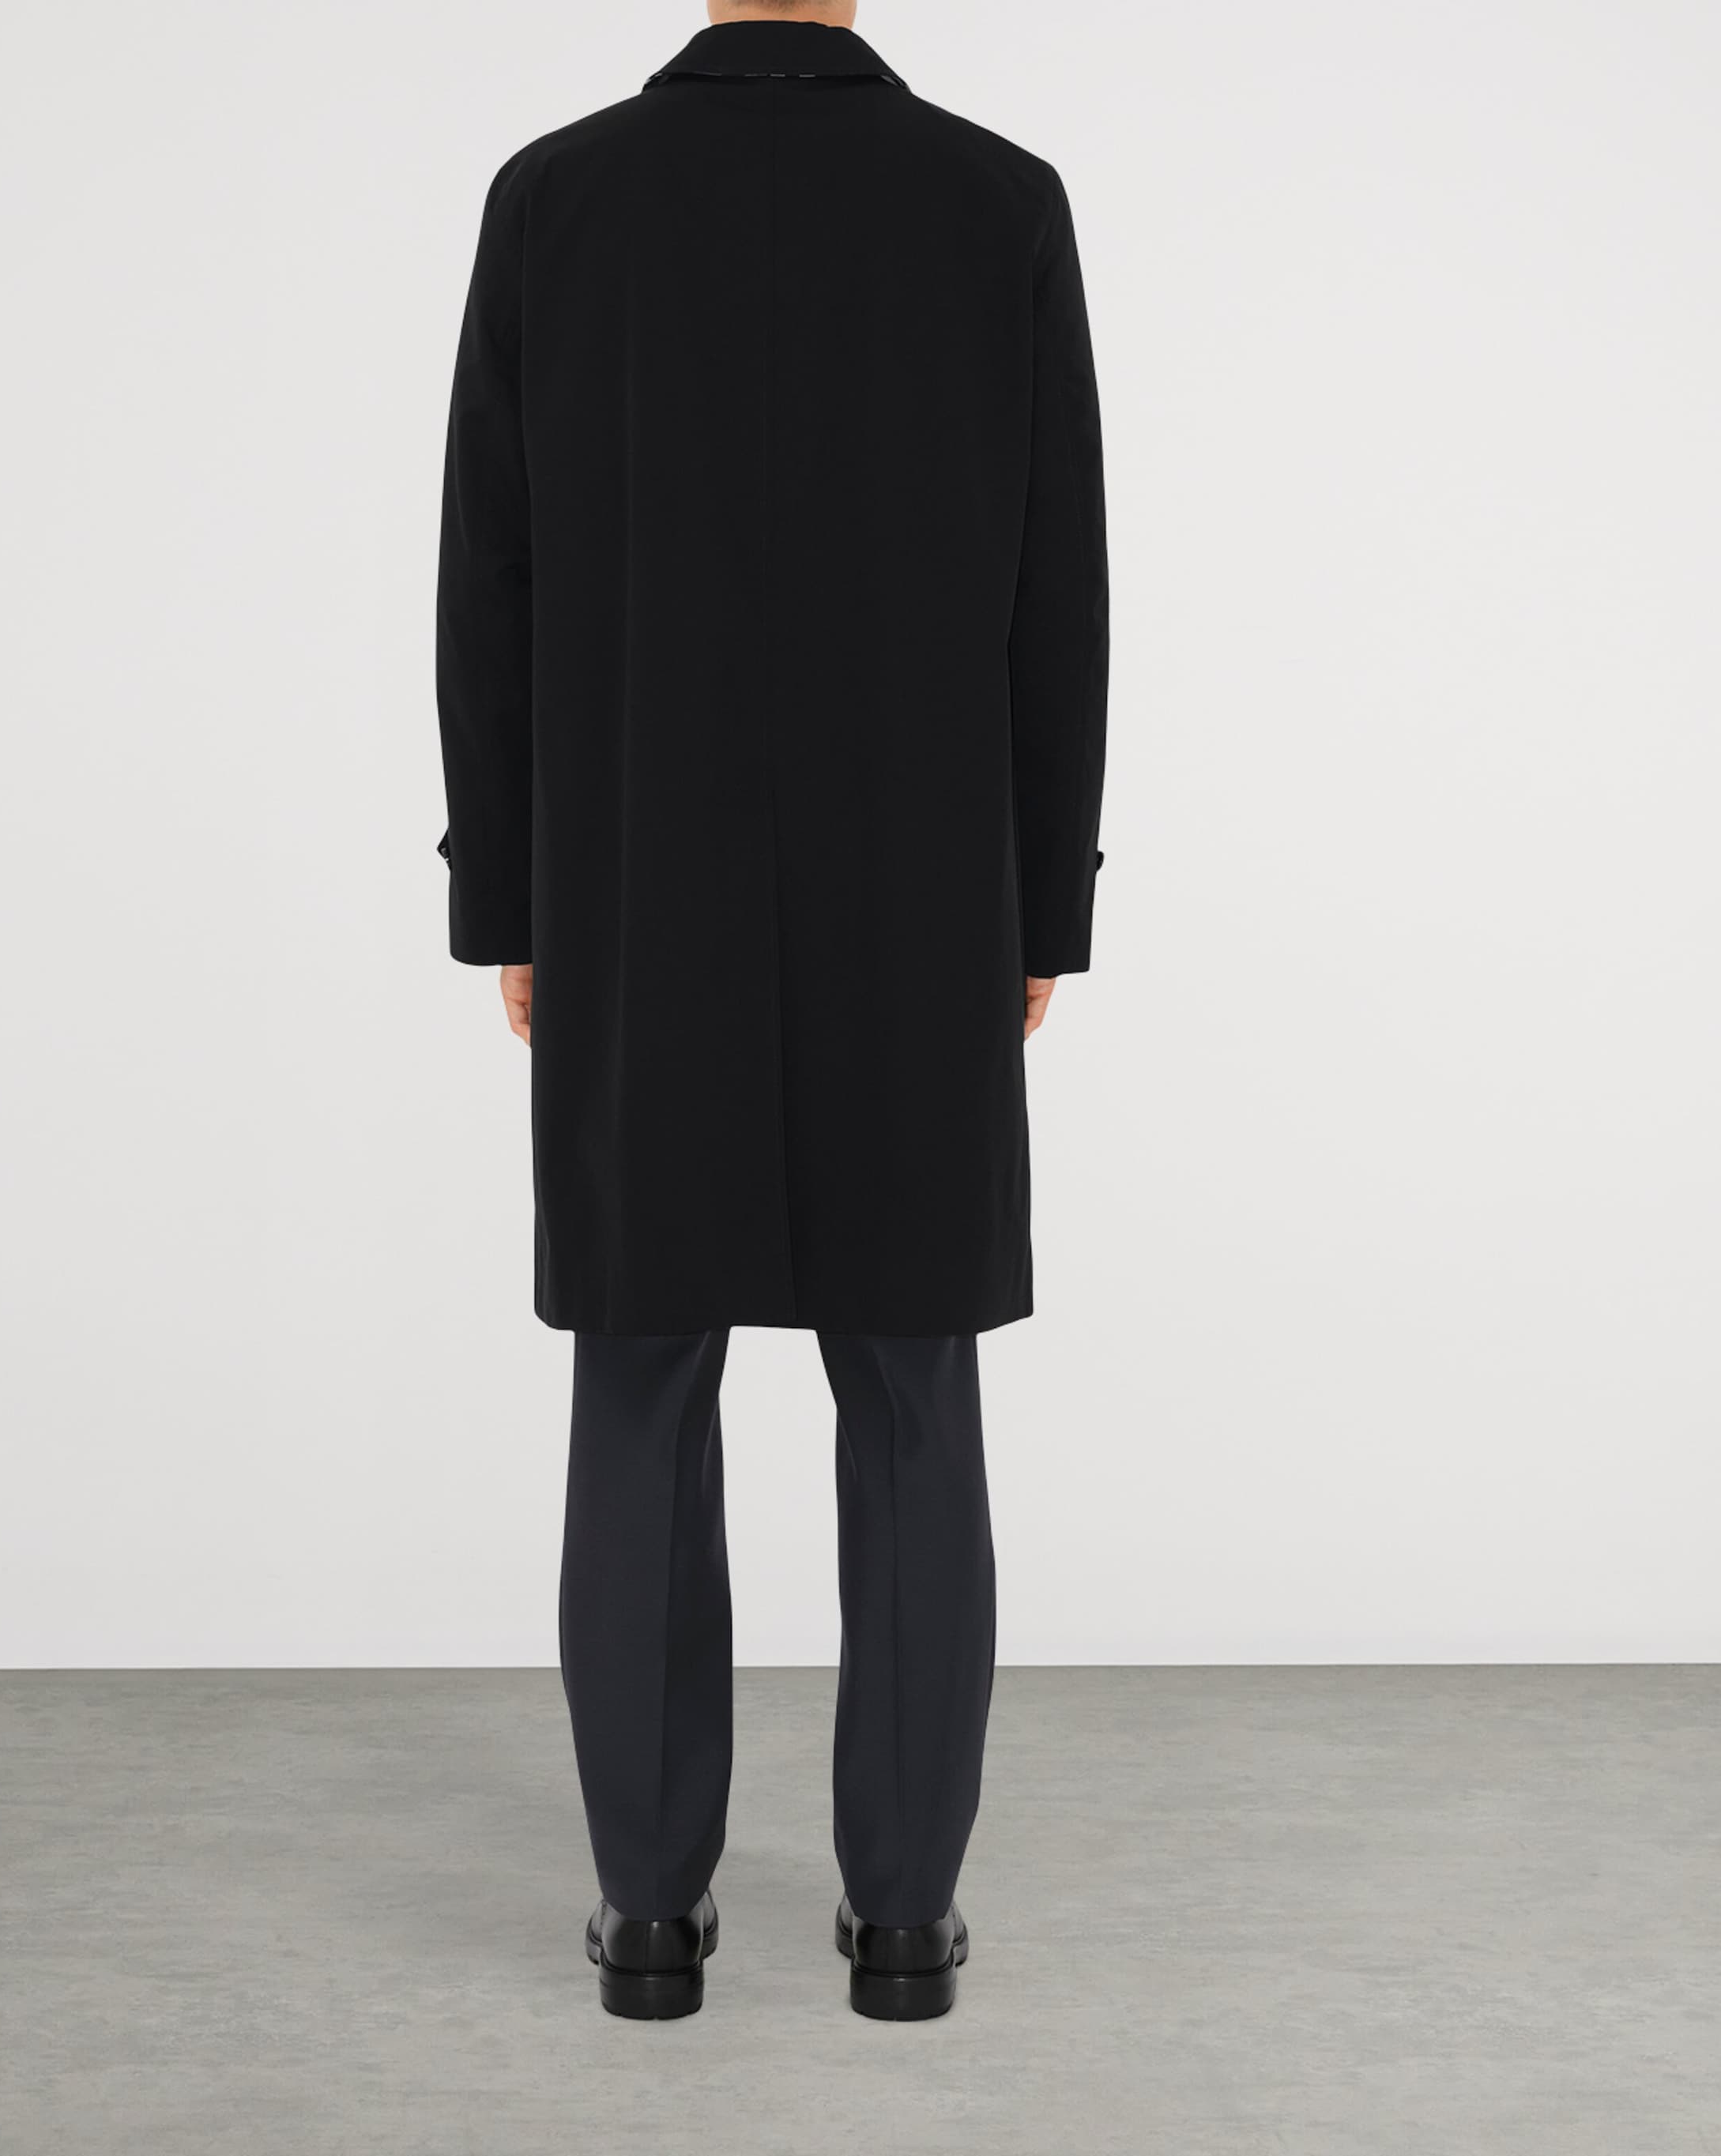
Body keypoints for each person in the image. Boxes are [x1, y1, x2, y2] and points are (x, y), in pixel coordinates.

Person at [435, 0, 1109, 2022]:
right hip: (925, 894)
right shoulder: (997, 203)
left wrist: (511, 899)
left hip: (640, 885)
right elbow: (1057, 583)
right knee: (911, 1394)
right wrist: (1041, 903)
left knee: (642, 1380)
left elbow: (492, 577)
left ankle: (651, 1914)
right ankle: (902, 1922)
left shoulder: (560, 201)